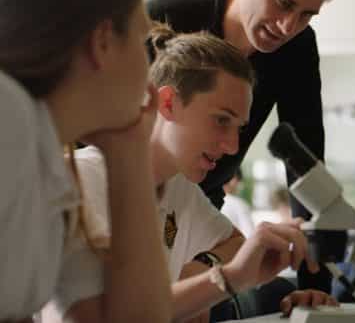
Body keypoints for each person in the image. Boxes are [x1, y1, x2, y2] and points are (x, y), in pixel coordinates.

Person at [42, 24, 337, 323]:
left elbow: (234, 242)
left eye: (239, 128)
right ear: (167, 102)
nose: (233, 146)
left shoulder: (177, 188)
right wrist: (221, 281)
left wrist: (199, 272)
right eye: (221, 120)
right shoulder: (80, 180)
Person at [147, 0, 352, 292]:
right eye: (283, 2)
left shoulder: (296, 48)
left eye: (306, 15)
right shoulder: (168, 15)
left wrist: (312, 285)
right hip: (131, 196)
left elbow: (305, 158)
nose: (289, 26)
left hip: (201, 212)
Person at [0, 0, 171, 321]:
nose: (149, 68)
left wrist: (130, 151)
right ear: (103, 42)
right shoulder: (9, 113)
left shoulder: (51, 168)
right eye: (143, 42)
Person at [220, 168, 256, 236]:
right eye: (238, 180)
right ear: (233, 178)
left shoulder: (206, 201)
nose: (238, 185)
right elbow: (250, 235)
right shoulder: (239, 204)